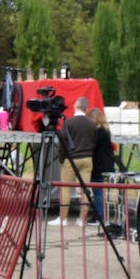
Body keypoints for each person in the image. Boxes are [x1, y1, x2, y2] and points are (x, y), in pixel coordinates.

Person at [50, 96, 97, 227]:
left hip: (71, 158)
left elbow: (62, 142)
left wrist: (62, 158)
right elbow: (94, 141)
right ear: (87, 109)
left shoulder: (68, 123)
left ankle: (63, 218)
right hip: (87, 158)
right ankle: (82, 219)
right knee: (85, 189)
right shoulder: (92, 124)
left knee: (65, 188)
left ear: (75, 106)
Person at [86, 106, 117, 229]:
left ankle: (99, 216)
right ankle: (99, 214)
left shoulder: (100, 133)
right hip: (103, 164)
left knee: (98, 191)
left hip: (100, 165)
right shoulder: (104, 130)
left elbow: (92, 146)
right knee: (98, 191)